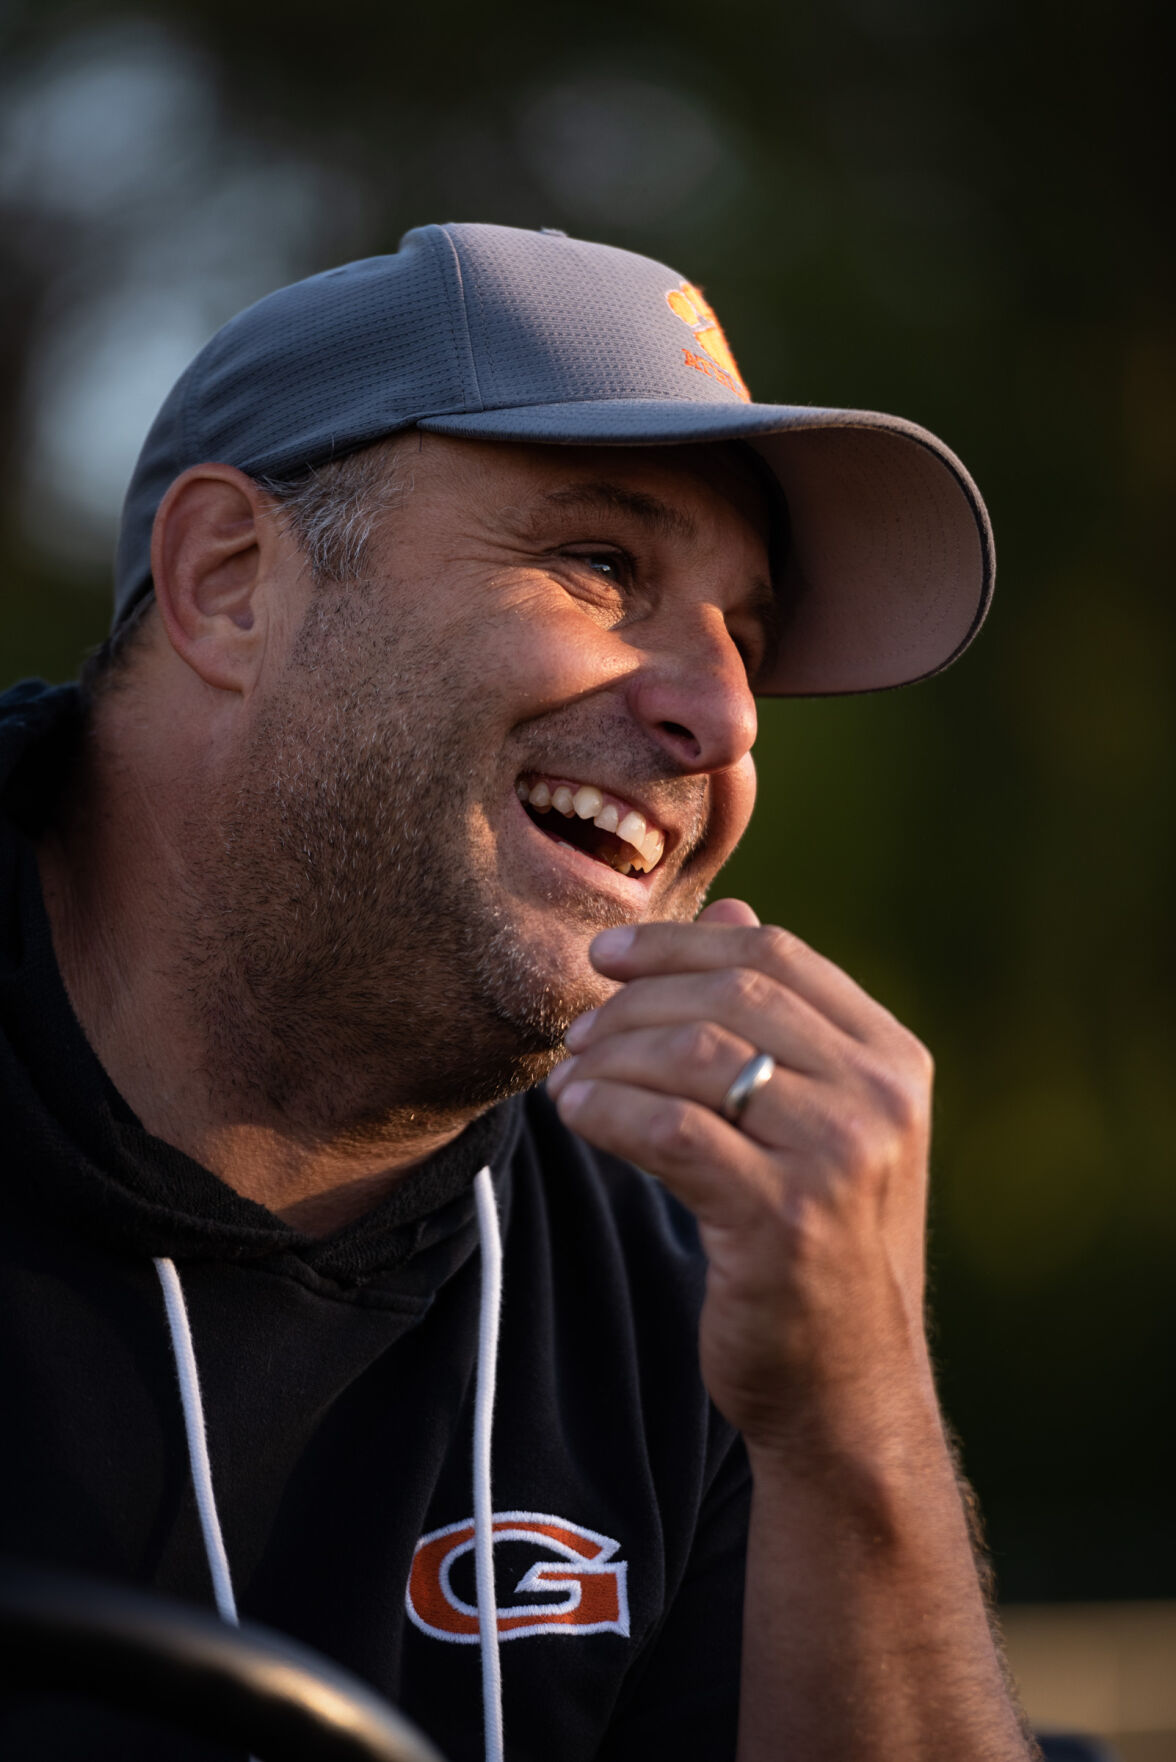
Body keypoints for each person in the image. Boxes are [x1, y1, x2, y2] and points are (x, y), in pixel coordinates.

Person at [0, 222, 1031, 1762]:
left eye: (746, 641)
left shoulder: (700, 1270)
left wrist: (856, 1425)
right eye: (603, 565)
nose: (724, 717)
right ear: (229, 582)